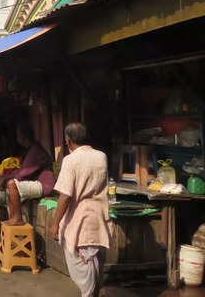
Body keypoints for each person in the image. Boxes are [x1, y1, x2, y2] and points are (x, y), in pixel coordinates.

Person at [50, 123, 112, 297]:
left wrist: (55, 224)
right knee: (95, 267)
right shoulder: (102, 157)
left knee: (84, 269)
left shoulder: (70, 160)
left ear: (68, 140)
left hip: (80, 221)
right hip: (99, 218)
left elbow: (65, 195)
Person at [0, 124, 54, 226]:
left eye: (18, 136)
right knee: (8, 187)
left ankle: (17, 218)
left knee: (11, 184)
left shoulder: (35, 150)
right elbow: (21, 170)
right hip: (37, 182)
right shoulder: (31, 149)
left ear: (23, 137)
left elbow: (22, 173)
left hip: (44, 185)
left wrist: (6, 178)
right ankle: (12, 217)